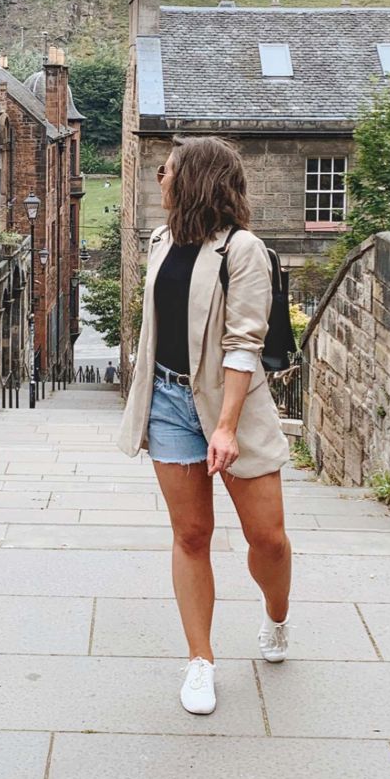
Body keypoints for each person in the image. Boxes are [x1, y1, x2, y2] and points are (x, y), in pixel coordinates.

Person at [117, 135, 292, 716]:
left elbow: (244, 344)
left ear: (192, 178)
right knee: (191, 535)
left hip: (231, 408)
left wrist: (225, 426)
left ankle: (276, 616)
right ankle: (201, 660)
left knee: (266, 538)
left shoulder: (244, 251)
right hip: (169, 404)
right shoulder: (161, 239)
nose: (159, 177)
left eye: (167, 170)